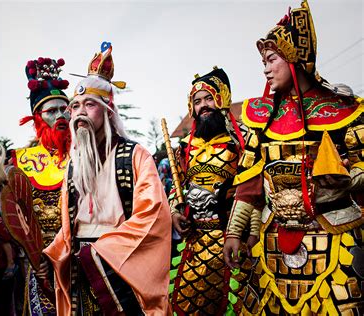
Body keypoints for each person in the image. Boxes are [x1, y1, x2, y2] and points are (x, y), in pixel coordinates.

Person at [223, 1, 364, 314]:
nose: (265, 68)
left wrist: (344, 179)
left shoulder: (344, 109)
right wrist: (234, 232)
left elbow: (361, 166)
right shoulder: (262, 117)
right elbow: (249, 186)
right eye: (263, 61)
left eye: (272, 59)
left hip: (334, 235)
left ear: (294, 59)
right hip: (272, 240)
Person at [41, 42, 172, 315]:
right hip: (80, 267)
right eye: (75, 106)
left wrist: (102, 252)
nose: (80, 112)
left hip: (121, 269)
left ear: (108, 110)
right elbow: (69, 226)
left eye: (90, 104)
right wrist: (52, 253)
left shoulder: (136, 156)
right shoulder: (73, 164)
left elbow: (153, 215)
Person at [169, 67, 255, 315]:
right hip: (196, 243)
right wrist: (175, 212)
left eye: (209, 98)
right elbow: (178, 189)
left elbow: (253, 190)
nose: (203, 106)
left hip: (236, 240)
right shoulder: (185, 148)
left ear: (222, 100)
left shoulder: (242, 140)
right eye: (197, 102)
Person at [14, 56, 71, 315]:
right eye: (51, 111)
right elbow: (15, 216)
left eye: (64, 109)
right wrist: (33, 257)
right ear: (37, 118)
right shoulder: (22, 161)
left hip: (82, 259)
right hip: (42, 263)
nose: (60, 116)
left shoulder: (86, 153)